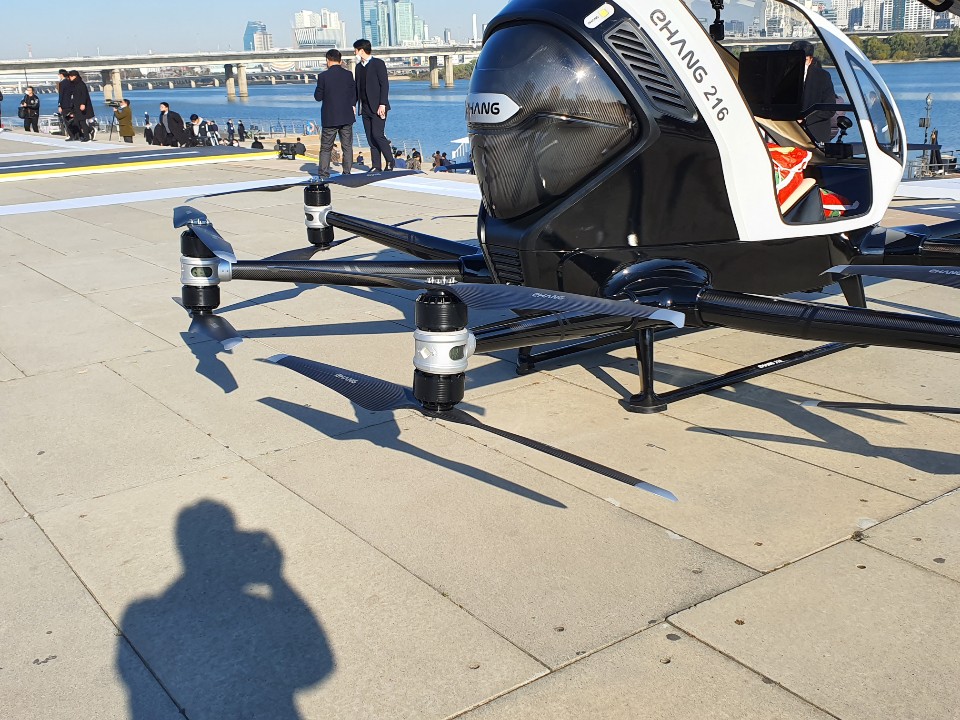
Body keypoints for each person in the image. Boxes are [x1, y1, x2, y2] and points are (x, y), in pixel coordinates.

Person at [314, 48, 357, 177]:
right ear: (340, 60)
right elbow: (354, 93)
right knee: (347, 146)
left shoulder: (323, 76)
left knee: (326, 148)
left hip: (330, 117)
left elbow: (318, 97)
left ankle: (323, 174)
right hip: (346, 116)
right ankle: (347, 172)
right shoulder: (348, 75)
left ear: (328, 60)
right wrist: (352, 105)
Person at [353, 38, 393, 171]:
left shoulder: (378, 64)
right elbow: (357, 88)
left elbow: (384, 85)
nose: (354, 52)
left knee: (377, 135)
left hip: (378, 107)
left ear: (361, 50)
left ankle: (390, 160)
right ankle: (376, 166)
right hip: (365, 107)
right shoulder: (358, 67)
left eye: (355, 50)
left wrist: (382, 104)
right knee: (370, 138)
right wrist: (353, 104)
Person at [789, 40, 836, 144]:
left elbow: (830, 108)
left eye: (804, 60)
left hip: (816, 134)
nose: (800, 64)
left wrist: (805, 118)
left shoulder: (822, 77)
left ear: (810, 60)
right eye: (796, 60)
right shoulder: (783, 76)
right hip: (789, 133)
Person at [63, 70, 95, 142]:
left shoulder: (81, 84)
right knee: (75, 121)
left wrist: (83, 104)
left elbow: (84, 95)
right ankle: (87, 131)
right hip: (75, 106)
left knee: (82, 121)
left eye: (71, 76)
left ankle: (86, 137)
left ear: (75, 76)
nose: (70, 78)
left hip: (81, 106)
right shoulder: (73, 84)